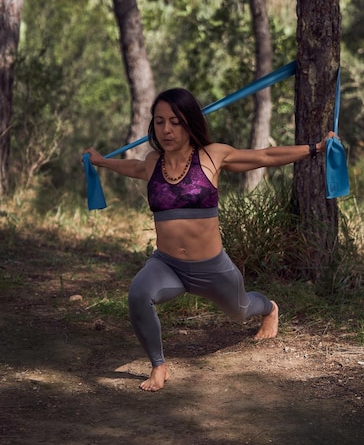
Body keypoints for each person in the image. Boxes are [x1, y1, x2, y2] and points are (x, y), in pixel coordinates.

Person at [83, 88, 335, 392]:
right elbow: (133, 167)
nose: (166, 129)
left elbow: (265, 156)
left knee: (240, 310)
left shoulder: (212, 155)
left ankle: (269, 308)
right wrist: (101, 161)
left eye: (175, 121)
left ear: (189, 122)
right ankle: (159, 366)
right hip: (168, 265)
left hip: (212, 268)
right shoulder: (152, 163)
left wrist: (316, 148)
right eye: (159, 121)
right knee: (138, 294)